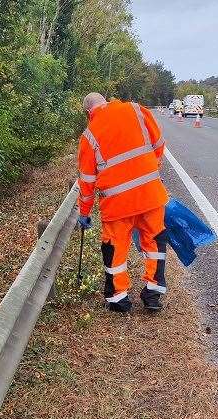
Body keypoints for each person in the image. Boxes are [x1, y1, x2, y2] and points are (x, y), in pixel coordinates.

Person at [77, 93, 169, 313]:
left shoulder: (89, 136)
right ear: (106, 101)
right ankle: (153, 293)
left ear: (89, 112)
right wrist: (148, 169)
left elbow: (87, 181)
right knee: (154, 243)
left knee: (115, 249)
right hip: (150, 196)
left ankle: (119, 298)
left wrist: (84, 212)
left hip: (117, 205)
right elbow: (158, 143)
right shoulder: (136, 110)